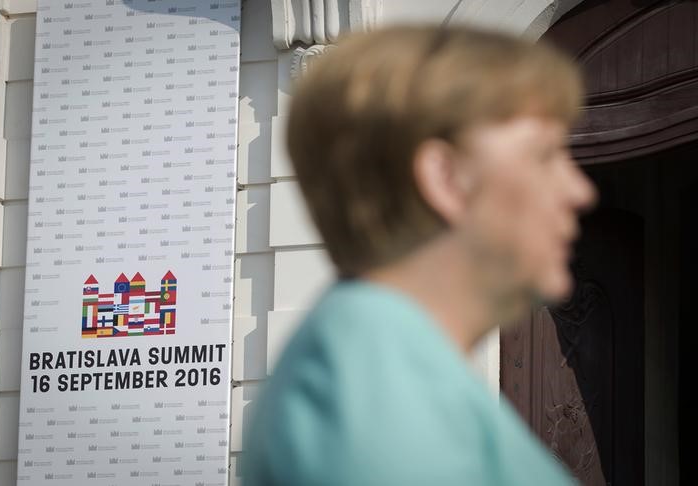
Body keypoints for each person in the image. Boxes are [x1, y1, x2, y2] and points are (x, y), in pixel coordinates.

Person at [243, 25, 596, 485]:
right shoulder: (373, 394)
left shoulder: (387, 366)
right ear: (447, 178)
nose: (581, 191)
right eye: (546, 155)